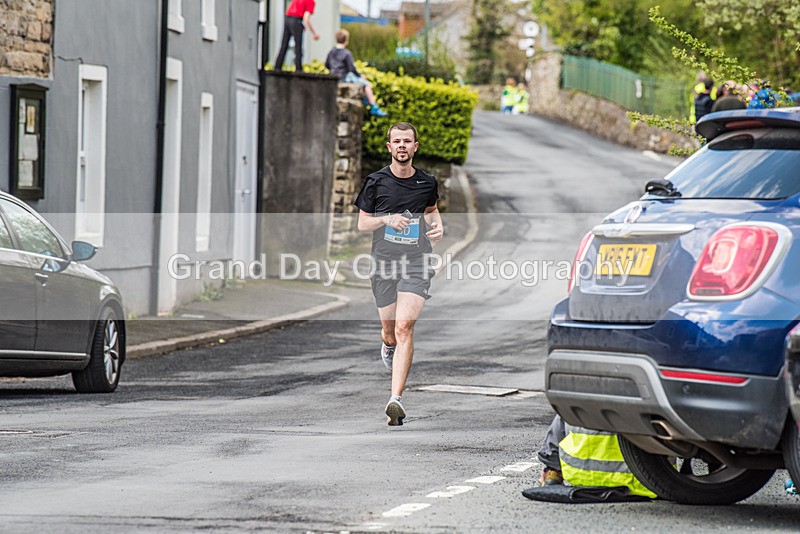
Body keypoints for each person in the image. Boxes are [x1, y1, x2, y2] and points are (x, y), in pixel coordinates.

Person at [354, 122, 444, 426]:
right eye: (397, 141)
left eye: (408, 141)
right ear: (390, 147)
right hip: (384, 264)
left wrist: (438, 224)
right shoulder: (375, 182)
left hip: (417, 261)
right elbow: (362, 224)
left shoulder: (427, 182)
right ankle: (387, 343)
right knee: (391, 330)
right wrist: (387, 219)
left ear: (415, 147)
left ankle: (395, 399)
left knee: (405, 326)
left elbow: (431, 210)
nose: (402, 146)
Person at [536, 415, 656, 498]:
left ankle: (552, 473)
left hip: (582, 479)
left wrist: (551, 465)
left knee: (564, 405)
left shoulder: (581, 388)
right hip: (646, 484)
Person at [325, 29, 387, 117]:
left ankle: (367, 101)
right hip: (344, 77)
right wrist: (360, 76)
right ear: (346, 40)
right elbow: (351, 68)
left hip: (334, 77)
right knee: (366, 84)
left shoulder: (331, 52)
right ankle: (373, 106)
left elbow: (327, 65)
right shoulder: (347, 53)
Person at [273, 0, 319, 72]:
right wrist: (314, 33)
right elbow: (306, 18)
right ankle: (298, 69)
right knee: (298, 47)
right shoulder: (310, 1)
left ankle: (277, 67)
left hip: (288, 18)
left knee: (284, 45)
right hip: (297, 20)